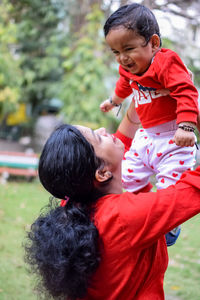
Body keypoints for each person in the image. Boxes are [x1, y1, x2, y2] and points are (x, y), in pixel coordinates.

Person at [24, 123, 200, 300]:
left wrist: (138, 102)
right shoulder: (125, 217)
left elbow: (118, 144)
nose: (103, 130)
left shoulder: (71, 206)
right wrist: (193, 118)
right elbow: (194, 189)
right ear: (101, 173)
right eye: (98, 137)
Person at [100, 3, 199, 245]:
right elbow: (124, 84)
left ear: (154, 43)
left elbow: (186, 91)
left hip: (173, 139)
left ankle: (169, 230)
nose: (122, 58)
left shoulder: (166, 63)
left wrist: (186, 126)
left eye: (129, 48)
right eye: (115, 52)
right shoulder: (129, 69)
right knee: (127, 178)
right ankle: (140, 215)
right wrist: (114, 101)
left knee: (169, 192)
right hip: (146, 137)